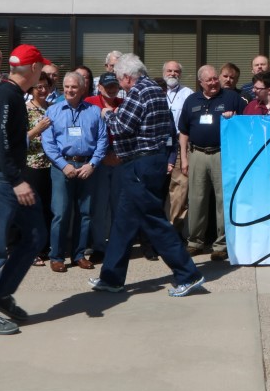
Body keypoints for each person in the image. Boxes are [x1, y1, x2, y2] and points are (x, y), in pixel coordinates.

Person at [89, 53, 206, 298]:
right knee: (123, 223)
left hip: (139, 164)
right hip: (149, 162)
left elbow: (121, 127)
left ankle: (188, 274)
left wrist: (107, 114)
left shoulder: (138, 92)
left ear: (127, 77)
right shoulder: (154, 89)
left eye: (119, 79)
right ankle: (111, 278)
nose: (120, 84)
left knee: (153, 220)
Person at [0, 44, 47, 335]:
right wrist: (17, 180)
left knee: (35, 234)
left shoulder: (14, 94)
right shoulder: (6, 94)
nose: (43, 73)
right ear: (33, 68)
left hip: (8, 178)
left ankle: (1, 294)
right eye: (41, 67)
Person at [41, 71, 108, 272]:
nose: (70, 90)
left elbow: (102, 140)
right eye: (67, 87)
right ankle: (57, 256)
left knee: (84, 213)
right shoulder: (53, 111)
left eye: (74, 87)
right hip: (62, 167)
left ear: (83, 89)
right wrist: (63, 165)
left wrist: (92, 164)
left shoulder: (94, 111)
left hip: (87, 167)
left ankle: (79, 255)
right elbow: (48, 142)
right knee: (61, 213)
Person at [180, 65, 244, 261]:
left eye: (215, 78)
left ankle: (221, 245)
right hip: (197, 154)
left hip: (222, 154)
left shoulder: (231, 98)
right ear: (201, 82)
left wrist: (235, 118)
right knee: (196, 199)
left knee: (222, 200)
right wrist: (184, 158)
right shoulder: (191, 100)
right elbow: (183, 132)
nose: (214, 82)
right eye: (209, 80)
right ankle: (195, 242)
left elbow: (246, 124)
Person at [85, 72, 123, 263]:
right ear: (99, 87)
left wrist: (120, 154)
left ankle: (117, 245)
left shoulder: (124, 104)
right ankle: (99, 246)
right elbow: (86, 131)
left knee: (118, 206)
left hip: (120, 159)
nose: (111, 89)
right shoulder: (90, 103)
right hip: (98, 160)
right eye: (107, 86)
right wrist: (102, 155)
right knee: (99, 207)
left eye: (114, 85)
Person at [25, 76, 54, 266]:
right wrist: (38, 129)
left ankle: (46, 247)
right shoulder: (24, 109)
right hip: (32, 165)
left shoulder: (53, 108)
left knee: (49, 208)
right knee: (33, 209)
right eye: (38, 87)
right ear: (31, 89)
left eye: (46, 87)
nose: (43, 90)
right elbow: (18, 139)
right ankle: (32, 249)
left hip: (53, 165)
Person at [162, 60, 194, 230]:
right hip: (159, 146)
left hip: (180, 144)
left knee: (180, 190)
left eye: (176, 71)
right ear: (163, 73)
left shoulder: (188, 93)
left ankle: (174, 229)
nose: (172, 74)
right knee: (158, 189)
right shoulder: (156, 91)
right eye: (169, 70)